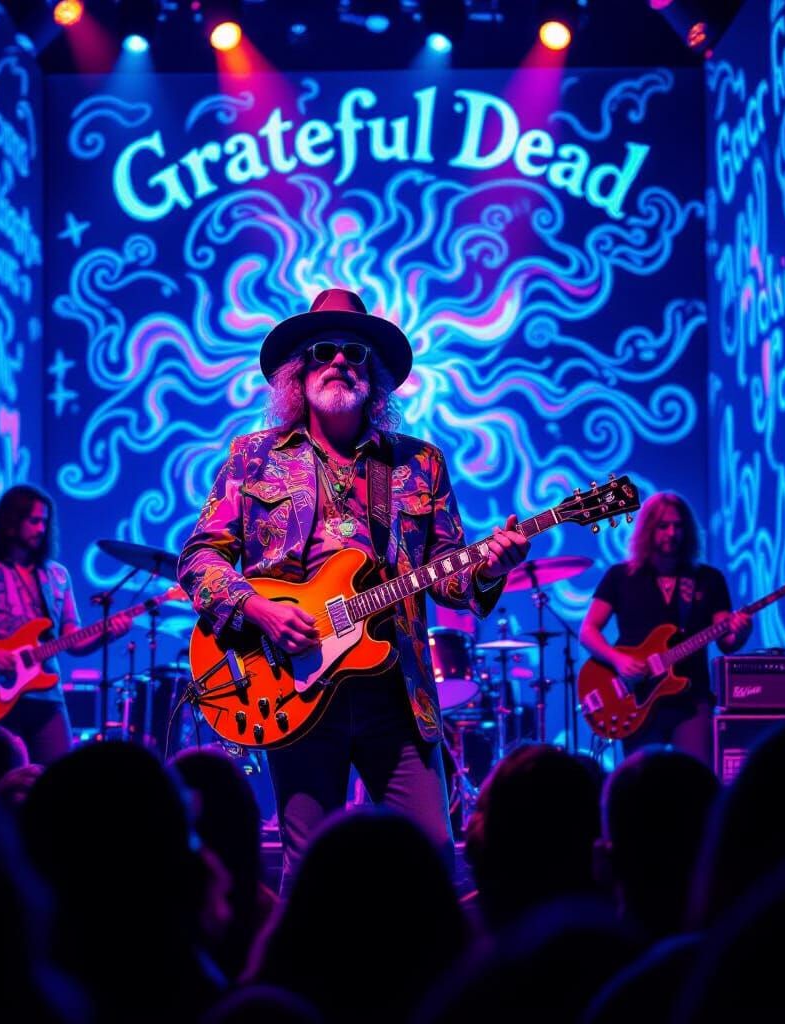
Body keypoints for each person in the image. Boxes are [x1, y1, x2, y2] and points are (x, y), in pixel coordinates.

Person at [176, 287, 530, 888]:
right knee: (308, 865)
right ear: (299, 372)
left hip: (397, 690)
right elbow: (200, 556)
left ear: (375, 374)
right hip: (293, 681)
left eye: (355, 352)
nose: (339, 360)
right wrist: (258, 609)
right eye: (324, 351)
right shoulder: (253, 456)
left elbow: (448, 573)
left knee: (431, 857)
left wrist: (492, 567)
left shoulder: (420, 464)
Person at [0, 484, 132, 764]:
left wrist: (106, 635)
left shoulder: (57, 576)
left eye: (45, 522)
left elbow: (72, 640)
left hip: (45, 694)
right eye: (34, 521)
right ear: (10, 522)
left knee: (58, 775)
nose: (41, 529)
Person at [579, 491, 751, 765]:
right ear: (648, 529)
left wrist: (741, 631)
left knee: (696, 777)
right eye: (663, 526)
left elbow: (726, 641)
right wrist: (619, 660)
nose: (672, 533)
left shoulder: (709, 579)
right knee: (642, 781)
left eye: (678, 526)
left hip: (691, 697)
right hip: (636, 698)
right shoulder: (620, 576)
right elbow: (588, 631)